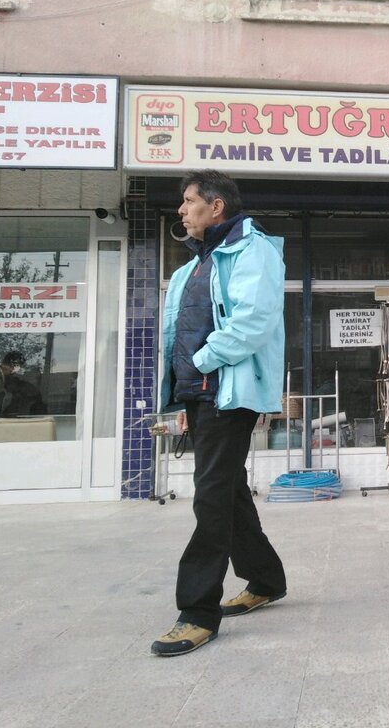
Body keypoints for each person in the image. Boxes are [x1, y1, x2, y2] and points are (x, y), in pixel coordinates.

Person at [151, 169, 287, 657]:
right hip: (202, 395)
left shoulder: (254, 251)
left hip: (229, 393)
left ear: (216, 206)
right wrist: (183, 394)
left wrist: (205, 361)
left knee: (210, 496)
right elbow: (179, 336)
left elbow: (254, 320)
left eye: (189, 201)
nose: (182, 210)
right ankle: (266, 579)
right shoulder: (195, 264)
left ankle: (197, 611)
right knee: (227, 490)